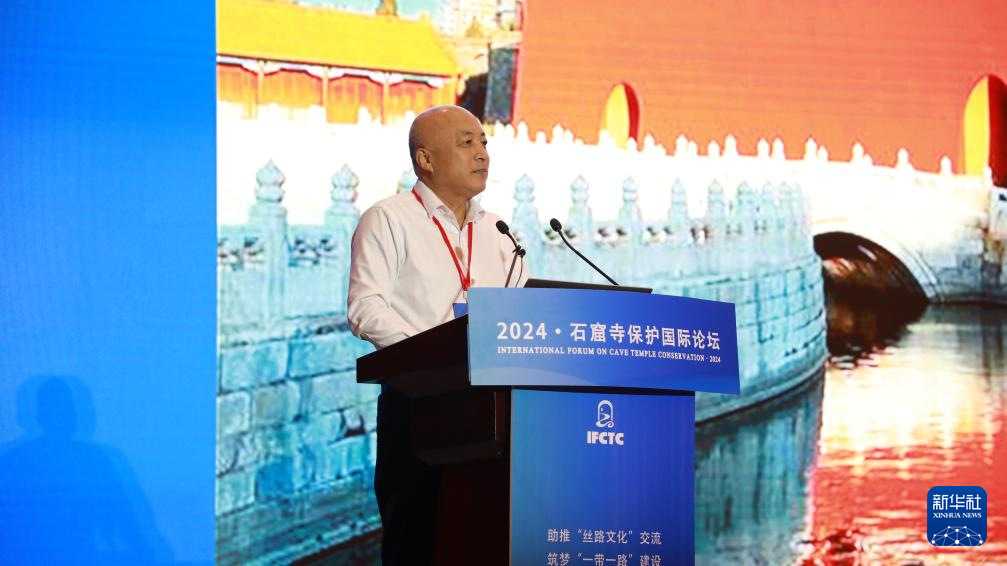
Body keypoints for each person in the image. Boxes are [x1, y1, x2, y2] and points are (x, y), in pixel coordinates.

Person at [347, 105, 528, 564]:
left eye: (483, 142)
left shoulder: (500, 232)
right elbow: (366, 308)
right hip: (420, 405)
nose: (482, 153)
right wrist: (431, 358)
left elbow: (524, 315)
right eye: (466, 143)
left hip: (496, 410)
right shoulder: (389, 219)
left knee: (486, 541)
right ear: (425, 160)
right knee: (419, 543)